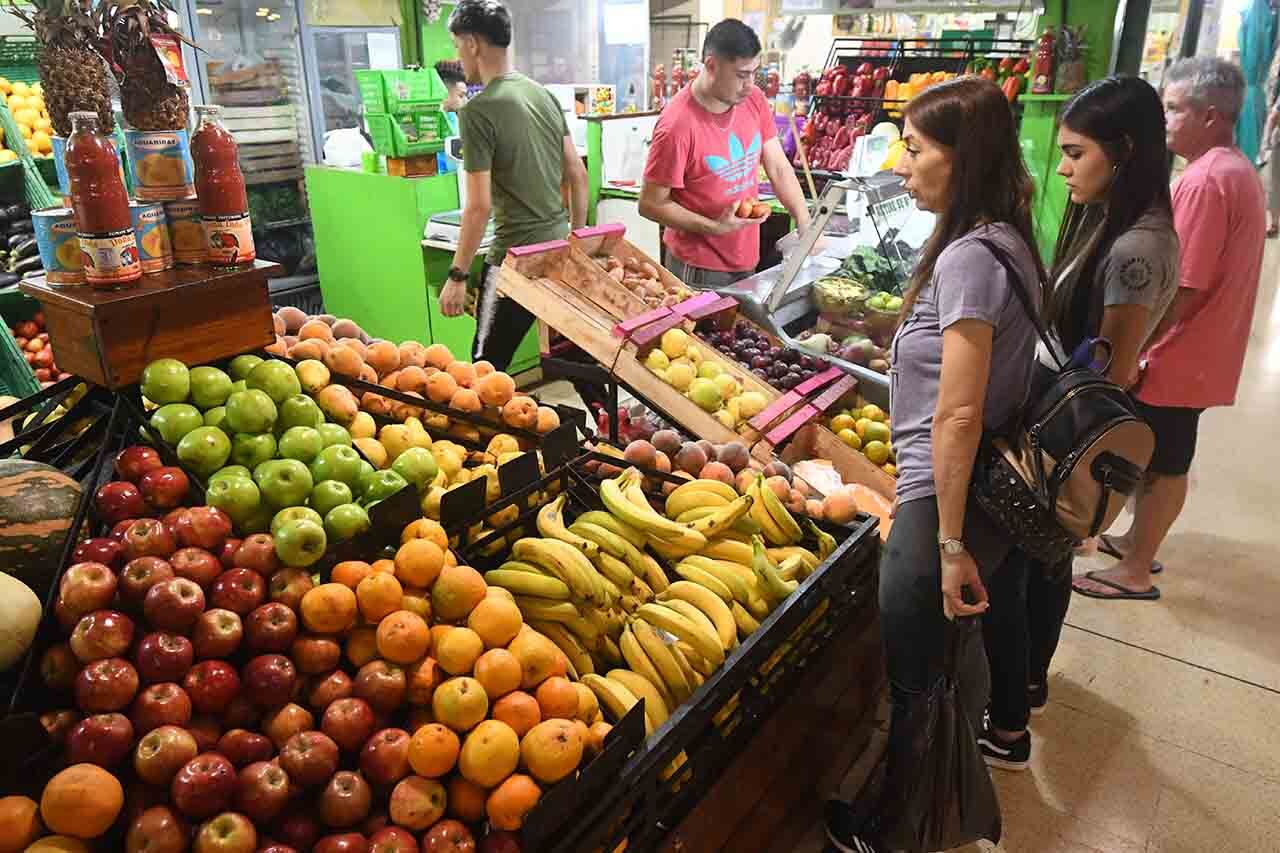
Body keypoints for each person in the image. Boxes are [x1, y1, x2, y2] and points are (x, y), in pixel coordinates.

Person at [824, 76, 1045, 853]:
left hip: (939, 499)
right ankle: (929, 813)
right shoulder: (1007, 239)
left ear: (963, 159)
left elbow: (958, 410)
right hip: (974, 492)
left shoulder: (968, 261)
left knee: (915, 684)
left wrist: (948, 544)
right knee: (939, 677)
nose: (903, 163)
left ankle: (901, 832)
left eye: (916, 148)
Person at [980, 76, 1180, 770]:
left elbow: (1113, 371)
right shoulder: (1117, 220)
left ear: (1123, 150)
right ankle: (1028, 684)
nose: (1061, 167)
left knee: (1023, 564)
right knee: (1044, 561)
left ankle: (1008, 719)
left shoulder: (1133, 247)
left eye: (1075, 153)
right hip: (1061, 431)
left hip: (1064, 441)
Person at [1071, 58, 1266, 601]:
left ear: (1210, 115)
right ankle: (1138, 541)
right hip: (1205, 350)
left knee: (1165, 462)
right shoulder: (1233, 169)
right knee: (1163, 457)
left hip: (1180, 353)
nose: (1166, 121)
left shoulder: (1204, 182)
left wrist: (1137, 351)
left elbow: (1183, 287)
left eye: (1174, 109)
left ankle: (1135, 570)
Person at [440, 0, 589, 376]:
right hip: (556, 249)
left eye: (458, 45)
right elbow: (577, 173)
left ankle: (493, 435)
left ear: (473, 44)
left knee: (484, 369)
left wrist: (457, 276)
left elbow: (478, 207)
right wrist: (575, 238)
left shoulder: (476, 112)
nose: (459, 56)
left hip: (514, 259)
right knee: (574, 356)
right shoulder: (543, 95)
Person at [639, 19, 812, 287]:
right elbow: (651, 203)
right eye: (742, 75)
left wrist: (804, 222)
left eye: (755, 73)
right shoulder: (676, 126)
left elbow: (778, 167)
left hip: (746, 260)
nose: (750, 84)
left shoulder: (753, 99)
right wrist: (714, 228)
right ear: (711, 66)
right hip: (697, 269)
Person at [434, 60, 467, 175]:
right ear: (445, 92)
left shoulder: (453, 117)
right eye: (461, 96)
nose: (465, 101)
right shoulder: (431, 120)